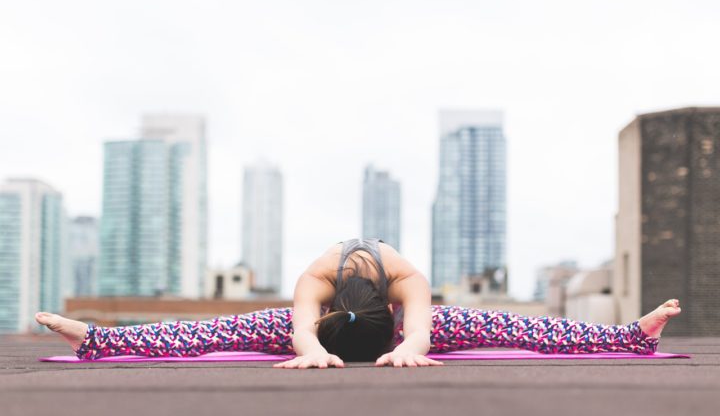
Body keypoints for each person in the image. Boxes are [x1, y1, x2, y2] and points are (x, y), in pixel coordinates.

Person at [35, 238, 681, 369]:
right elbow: (298, 336)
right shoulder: (312, 286)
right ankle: (91, 338)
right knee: (213, 330)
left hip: (396, 324)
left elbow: (425, 332)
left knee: (515, 325)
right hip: (334, 324)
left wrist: (410, 349)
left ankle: (631, 335)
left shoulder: (407, 283)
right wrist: (311, 351)